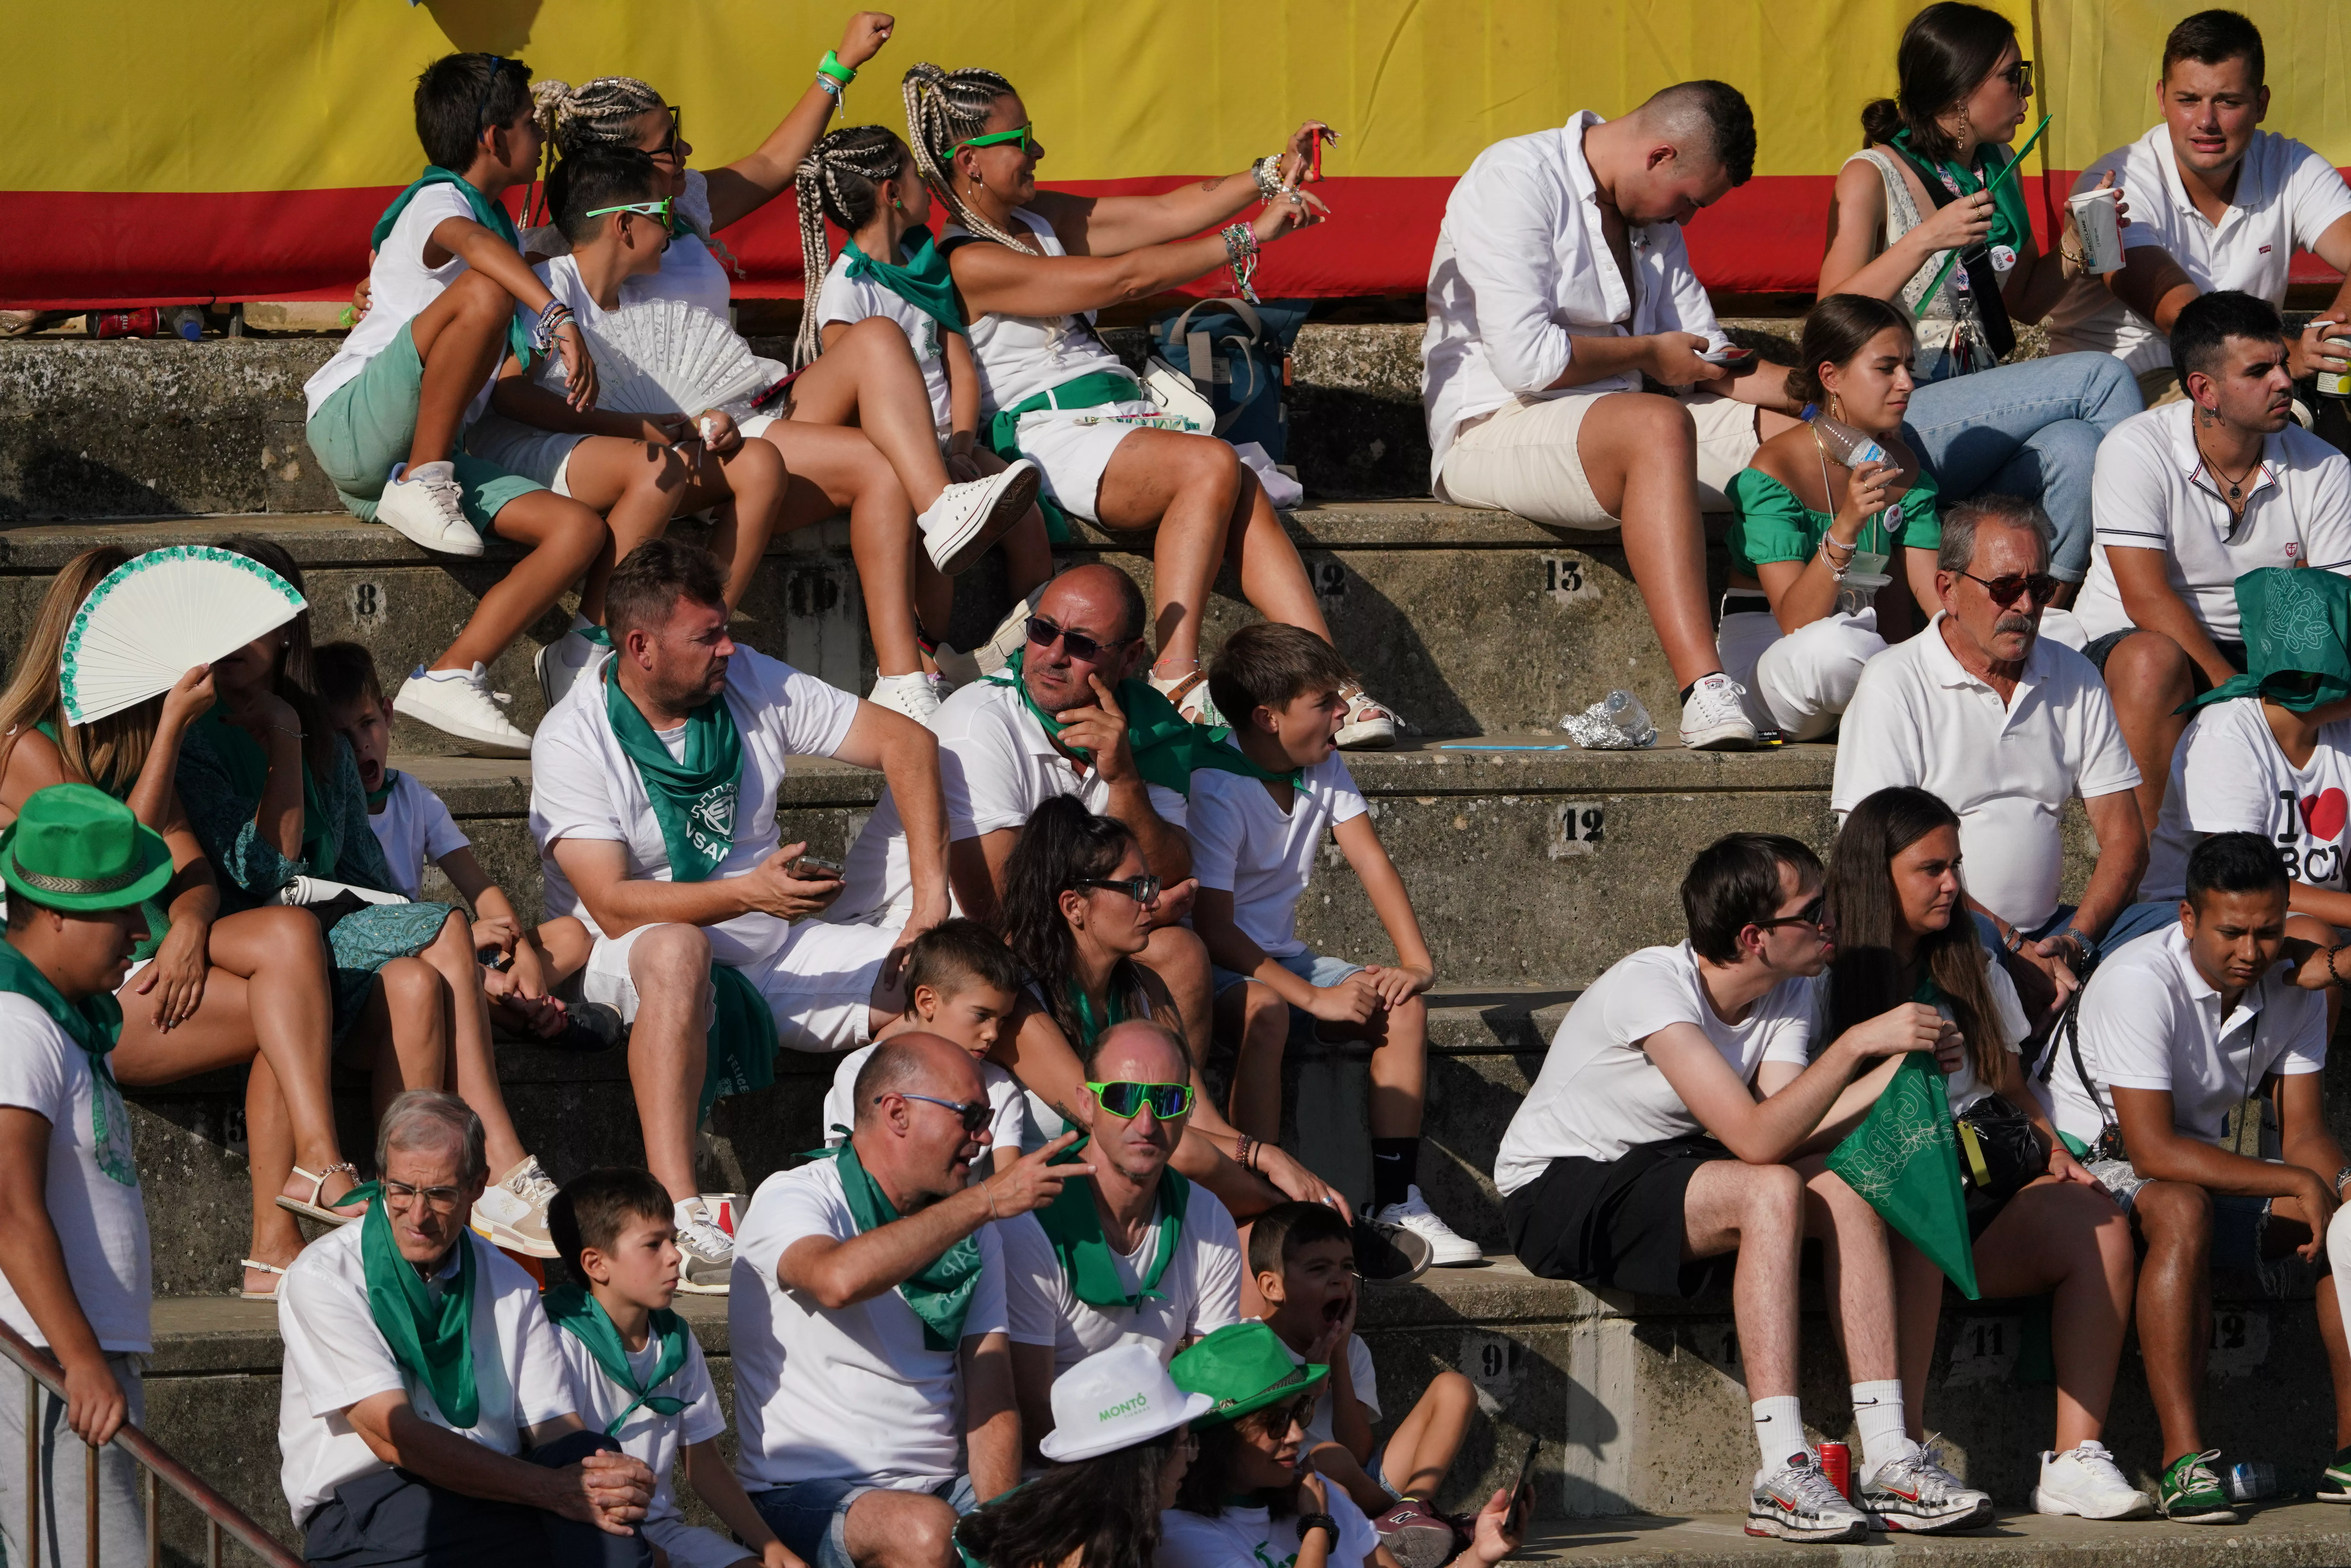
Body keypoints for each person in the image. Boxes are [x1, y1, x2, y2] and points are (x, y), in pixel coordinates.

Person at [524, 16, 1041, 724]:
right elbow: (475, 303)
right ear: (618, 176)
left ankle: (903, 670)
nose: (686, 149)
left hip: (746, 416)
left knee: (879, 338)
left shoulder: (688, 206)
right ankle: (908, 613)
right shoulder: (559, 249)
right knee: (875, 463)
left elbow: (771, 164)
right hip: (666, 445)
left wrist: (839, 69)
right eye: (667, 144)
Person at [904, 62, 1400, 745]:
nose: (1038, 152)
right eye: (1022, 138)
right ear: (971, 163)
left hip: (1120, 418)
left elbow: (1167, 212)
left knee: (1240, 481)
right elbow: (1124, 273)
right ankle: (1174, 672)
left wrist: (1270, 172)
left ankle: (1329, 685)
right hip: (1053, 433)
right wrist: (1250, 237)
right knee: (1210, 466)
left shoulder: (1037, 217)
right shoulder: (966, 260)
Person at [1492, 833, 1949, 1543]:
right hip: (1558, 1187)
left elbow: (1794, 1121)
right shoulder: (1652, 986)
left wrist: (1898, 1069)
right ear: (1753, 936)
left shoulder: (1789, 989)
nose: (1832, 920)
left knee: (1848, 1188)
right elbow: (1759, 1141)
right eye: (1813, 909)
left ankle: (1890, 1453)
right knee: (1770, 1190)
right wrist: (1860, 1044)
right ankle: (1783, 1472)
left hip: (1666, 1165)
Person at [530, 538, 948, 1291]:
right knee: (677, 949)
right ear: (640, 647)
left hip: (770, 943)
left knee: (937, 986)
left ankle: (890, 1200)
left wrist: (929, 906)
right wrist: (748, 893)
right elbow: (615, 904)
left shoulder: (746, 675)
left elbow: (909, 742)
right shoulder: (573, 737)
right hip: (620, 959)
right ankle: (679, 1206)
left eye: (727, 629)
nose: (730, 646)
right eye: (707, 637)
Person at [1765, 788, 2147, 1523]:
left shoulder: (1968, 949)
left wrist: (2050, 1150)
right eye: (1931, 868)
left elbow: (2009, 1083)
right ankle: (1898, 1454)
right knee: (1919, 1182)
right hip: (1875, 1181)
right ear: (1879, 874)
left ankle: (2075, 1458)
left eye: (1956, 866)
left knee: (2094, 1220)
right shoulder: (1822, 967)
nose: (1953, 884)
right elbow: (1787, 1118)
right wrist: (1887, 1066)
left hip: (1979, 1170)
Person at [175, 537, 561, 1258]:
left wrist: (298, 736)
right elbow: (263, 873)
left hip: (331, 942)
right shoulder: (198, 736)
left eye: (251, 615)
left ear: (288, 628)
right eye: (216, 613)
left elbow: (363, 874)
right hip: (253, 950)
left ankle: (403, 1202)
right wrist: (285, 750)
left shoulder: (317, 729)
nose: (232, 635)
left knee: (418, 977)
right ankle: (502, 1160)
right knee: (445, 918)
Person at [0, 546, 366, 1300]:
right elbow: (113, 869)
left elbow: (190, 870)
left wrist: (192, 925)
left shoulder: (128, 741)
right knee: (289, 1003)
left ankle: (299, 1198)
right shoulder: (21, 746)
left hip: (138, 963)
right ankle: (289, 1216)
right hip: (64, 1003)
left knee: (291, 951)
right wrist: (170, 732)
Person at [1423, 81, 1806, 751]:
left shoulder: (1651, 214)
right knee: (1656, 425)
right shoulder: (1514, 176)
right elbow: (1528, 362)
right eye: (1690, 200)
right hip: (1496, 424)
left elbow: (1705, 352)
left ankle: (1791, 662)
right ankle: (1705, 690)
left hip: (1624, 422)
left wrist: (1820, 392)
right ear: (1661, 156)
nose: (1687, 219)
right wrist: (1653, 355)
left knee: (1810, 445)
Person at [302, 52, 608, 756]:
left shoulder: (497, 225)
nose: (539, 136)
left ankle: (451, 670)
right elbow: (474, 254)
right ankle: (425, 477)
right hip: (354, 426)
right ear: (494, 139)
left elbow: (500, 267)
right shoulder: (436, 201)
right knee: (485, 290)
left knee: (579, 532)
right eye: (531, 124)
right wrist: (557, 317)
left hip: (416, 448)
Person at [2040, 833, 2351, 1522]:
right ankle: (2185, 1461)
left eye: (2268, 931)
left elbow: (2304, 1132)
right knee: (2181, 1206)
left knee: (2345, 1217)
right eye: (2232, 931)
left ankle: (2348, 1453)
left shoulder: (2290, 984)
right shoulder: (2139, 979)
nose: (2252, 950)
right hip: (2084, 1165)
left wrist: (2340, 1184)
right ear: (2188, 919)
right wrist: (2302, 1180)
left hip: (2194, 1162)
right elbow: (2151, 1151)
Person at [1818, 1, 2145, 600]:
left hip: (1973, 407)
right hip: (1900, 419)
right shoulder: (1871, 173)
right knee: (2101, 378)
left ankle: (2057, 612)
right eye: (2012, 78)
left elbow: (2021, 304)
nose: (2025, 94)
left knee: (2075, 449)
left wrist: (2076, 245)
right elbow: (1829, 312)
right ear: (1961, 88)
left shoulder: (1997, 167)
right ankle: (2143, 568)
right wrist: (1925, 239)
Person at [728, 1035, 1079, 1568]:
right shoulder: (797, 1194)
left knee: (1080, 1525)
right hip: (799, 1494)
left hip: (940, 1487)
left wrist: (1003, 1525)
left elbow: (991, 1399)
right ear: (897, 1112)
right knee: (924, 1532)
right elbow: (836, 1278)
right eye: (971, 1115)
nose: (984, 1137)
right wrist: (984, 1200)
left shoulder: (972, 1226)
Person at [1189, 624, 1476, 1263]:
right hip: (1215, 967)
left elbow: (1371, 861)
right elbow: (1212, 929)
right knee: (1265, 1012)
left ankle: (1397, 1197)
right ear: (1267, 718)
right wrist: (1313, 1001)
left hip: (1282, 958)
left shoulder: (1320, 761)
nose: (1344, 713)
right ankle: (1261, 1198)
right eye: (1325, 703)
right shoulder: (1215, 784)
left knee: (1401, 1006)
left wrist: (1415, 963)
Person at [277, 1092, 660, 1565]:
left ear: (478, 1187)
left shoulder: (510, 1282)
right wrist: (551, 1491)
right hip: (373, 1501)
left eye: (439, 1194)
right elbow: (394, 1437)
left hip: (497, 1486)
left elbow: (553, 1425)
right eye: (400, 1190)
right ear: (380, 1180)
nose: (417, 1216)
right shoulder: (324, 1277)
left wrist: (604, 1478)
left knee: (595, 1479)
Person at [469, 143, 786, 709]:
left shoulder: (641, 301)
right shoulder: (550, 283)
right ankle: (584, 648)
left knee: (761, 462)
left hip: (620, 453)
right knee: (655, 464)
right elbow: (511, 391)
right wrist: (634, 427)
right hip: (527, 445)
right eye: (663, 215)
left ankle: (702, 639)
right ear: (623, 224)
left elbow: (659, 409)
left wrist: (708, 424)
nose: (673, 230)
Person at [1832, 498, 2146, 1020]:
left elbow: (2125, 838)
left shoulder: (2073, 674)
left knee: (2177, 934)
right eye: (2004, 588)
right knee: (1974, 944)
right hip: (1943, 930)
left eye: (2039, 588)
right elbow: (1871, 856)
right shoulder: (1894, 682)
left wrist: (2073, 943)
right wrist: (2011, 945)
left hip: (2055, 932)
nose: (2025, 605)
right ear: (1947, 590)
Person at [792, 122, 1053, 718]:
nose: (926, 182)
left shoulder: (928, 265)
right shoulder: (847, 290)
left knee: (1025, 507)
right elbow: (852, 392)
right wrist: (933, 460)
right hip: (893, 452)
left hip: (947, 442)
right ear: (889, 192)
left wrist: (963, 442)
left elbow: (959, 366)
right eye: (914, 172)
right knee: (934, 539)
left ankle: (1028, 644)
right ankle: (927, 650)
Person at [2071, 291, 2351, 831]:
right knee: (2153, 661)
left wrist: (2279, 680)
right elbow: (2145, 597)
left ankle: (2306, 864)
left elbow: (2332, 603)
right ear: (2205, 390)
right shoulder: (2135, 448)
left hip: (2264, 646)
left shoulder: (2326, 467)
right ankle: (2142, 869)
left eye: (2281, 363)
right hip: (2137, 638)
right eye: (2259, 371)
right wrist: (2238, 694)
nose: (2284, 382)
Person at [1000, 798, 1338, 1221]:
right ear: (1074, 906)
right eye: (1135, 889)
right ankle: (1297, 1220)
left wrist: (1268, 1160)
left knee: (1242, 1221)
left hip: (1128, 1197)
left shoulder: (1146, 989)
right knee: (1190, 1158)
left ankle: (1297, 1223)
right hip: (1047, 1213)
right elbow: (1115, 1124)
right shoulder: (1020, 1003)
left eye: (1151, 885)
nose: (1152, 902)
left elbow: (1201, 1116)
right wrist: (1264, 1158)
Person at [0, 785, 175, 1568]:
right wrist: (77, 1359)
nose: (141, 932)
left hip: (80, 1358)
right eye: (122, 912)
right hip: (47, 1359)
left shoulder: (63, 1023)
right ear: (58, 912)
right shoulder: (16, 1022)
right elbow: (7, 1206)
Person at [315, 639, 609, 1054]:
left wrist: (523, 957)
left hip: (446, 946)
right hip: (389, 963)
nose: (362, 744)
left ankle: (511, 1003)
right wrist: (457, 942)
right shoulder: (327, 808)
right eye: (342, 736)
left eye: (368, 724)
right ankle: (531, 1020)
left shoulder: (414, 797)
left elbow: (479, 886)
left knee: (572, 935)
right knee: (449, 971)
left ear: (388, 713)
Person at [2045, 10, 2351, 404]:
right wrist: (2292, 352)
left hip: (2249, 378)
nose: (2206, 121)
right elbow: (2183, 319)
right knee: (2252, 427)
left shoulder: (2291, 164)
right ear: (2161, 98)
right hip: (2119, 385)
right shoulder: (2109, 185)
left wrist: (2334, 335)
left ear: (2262, 104)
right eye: (2188, 100)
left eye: (2228, 102)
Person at [1000, 1019, 1243, 1453]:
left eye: (1168, 1101)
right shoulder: (1031, 1222)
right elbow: (1031, 1408)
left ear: (1188, 1111)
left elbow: (1207, 1380)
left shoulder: (1208, 1219)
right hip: (1055, 1470)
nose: (1147, 1123)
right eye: (1124, 1098)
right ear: (1087, 1105)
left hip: (1163, 1460)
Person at [546, 1168, 804, 1568]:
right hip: (583, 1532)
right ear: (596, 1264)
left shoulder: (675, 1339)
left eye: (673, 1239)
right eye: (653, 1245)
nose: (675, 1256)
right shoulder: (556, 1342)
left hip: (662, 1527)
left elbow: (703, 1465)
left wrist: (770, 1547)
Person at [1719, 295, 1939, 741]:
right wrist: (1847, 525)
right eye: (1887, 368)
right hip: (1778, 656)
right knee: (1836, 649)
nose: (1907, 383)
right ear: (1831, 376)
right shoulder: (1775, 467)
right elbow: (1797, 624)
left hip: (1865, 645)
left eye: (1908, 367)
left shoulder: (1904, 466)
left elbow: (1929, 601)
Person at [1159, 1322, 1523, 1568]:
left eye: (1298, 1412)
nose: (1298, 1435)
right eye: (1275, 1423)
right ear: (1220, 1439)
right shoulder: (1180, 1535)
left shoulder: (1322, 1494)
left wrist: (1481, 1554)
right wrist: (1317, 1527)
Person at [1246, 1201, 1480, 1568]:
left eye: (1347, 1267)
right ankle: (1411, 1521)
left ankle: (1410, 1511)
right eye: (1319, 1269)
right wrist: (1312, 1373)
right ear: (1272, 1286)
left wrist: (1338, 1357)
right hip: (1294, 1489)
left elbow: (1357, 1451)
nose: (1340, 1280)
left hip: (1360, 1481)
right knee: (1328, 1458)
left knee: (1455, 1387)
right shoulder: (1247, 1346)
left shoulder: (1351, 1348)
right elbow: (1265, 1441)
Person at [2134, 569, 2351, 958]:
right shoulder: (2226, 735)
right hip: (2200, 918)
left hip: (2305, 914)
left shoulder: (2341, 731)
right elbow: (2239, 882)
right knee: (2316, 941)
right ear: (2319, 673)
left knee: (2318, 933)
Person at [953, 1342, 1207, 1568]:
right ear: (1147, 1461)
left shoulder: (1058, 1525)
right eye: (1186, 1442)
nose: (1193, 1457)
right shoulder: (1087, 1555)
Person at [823, 918, 1030, 1173]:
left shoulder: (999, 1089)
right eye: (981, 1015)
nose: (993, 1034)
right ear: (927, 1002)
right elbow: (855, 1182)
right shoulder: (859, 1073)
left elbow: (1011, 1189)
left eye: (1003, 1020)